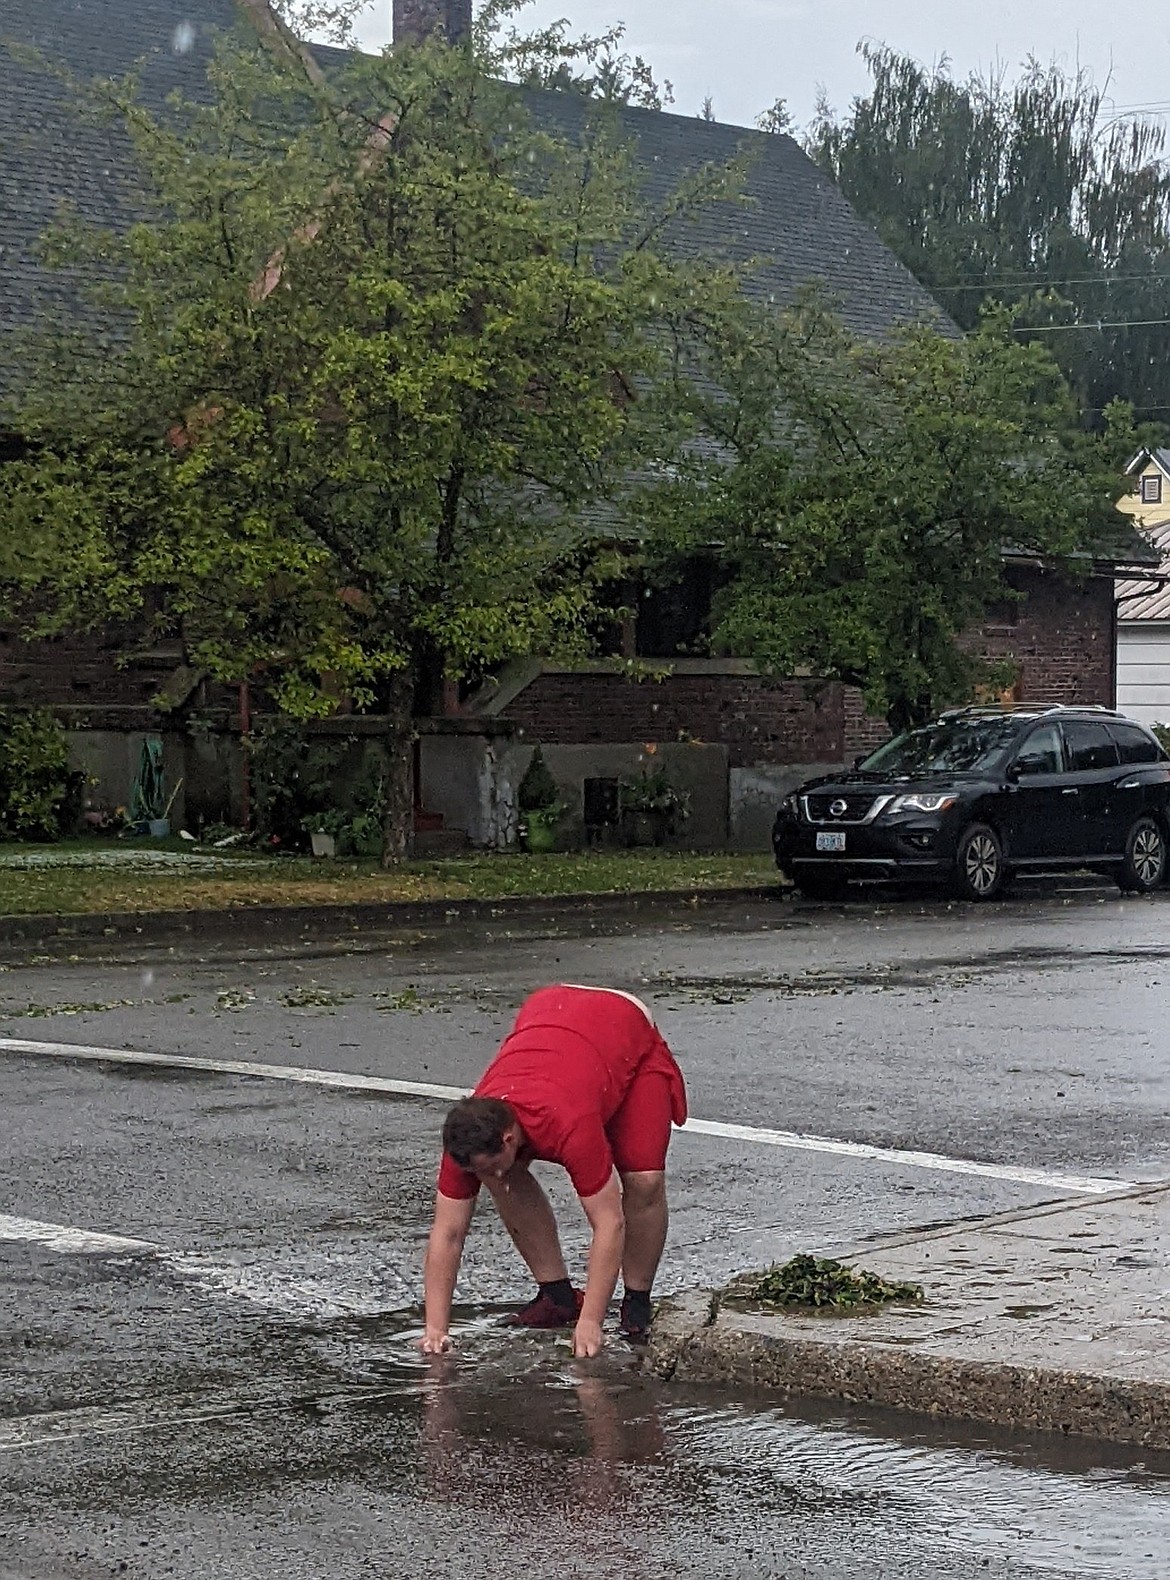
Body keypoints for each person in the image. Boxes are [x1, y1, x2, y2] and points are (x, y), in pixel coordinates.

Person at [420, 983, 688, 1359]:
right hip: (552, 1013)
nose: (489, 1177)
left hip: (622, 1026)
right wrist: (435, 1330)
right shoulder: (467, 1138)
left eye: (492, 1164)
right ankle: (558, 1296)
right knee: (505, 1179)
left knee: (643, 1179)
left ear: (509, 1137)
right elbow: (446, 1233)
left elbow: (608, 1223)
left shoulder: (568, 1125)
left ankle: (636, 1303)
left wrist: (591, 1322)